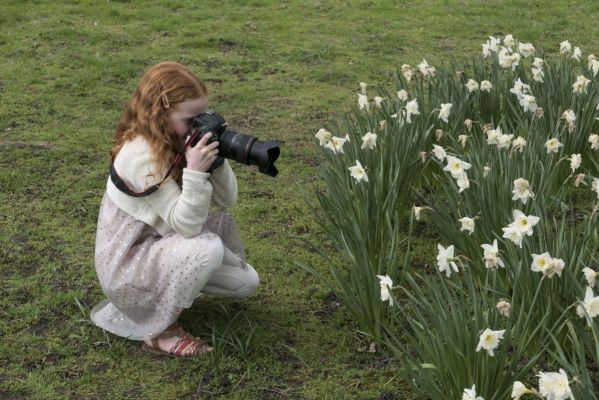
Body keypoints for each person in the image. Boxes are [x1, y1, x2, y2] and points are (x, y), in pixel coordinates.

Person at [90, 61, 259, 358]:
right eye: (191, 119)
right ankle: (159, 333)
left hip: (161, 244)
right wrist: (194, 172)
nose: (198, 126)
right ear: (161, 112)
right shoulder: (140, 155)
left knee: (244, 283)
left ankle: (169, 292)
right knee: (207, 249)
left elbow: (228, 199)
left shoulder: (176, 138)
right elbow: (188, 227)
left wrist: (217, 163)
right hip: (128, 263)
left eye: (202, 116)